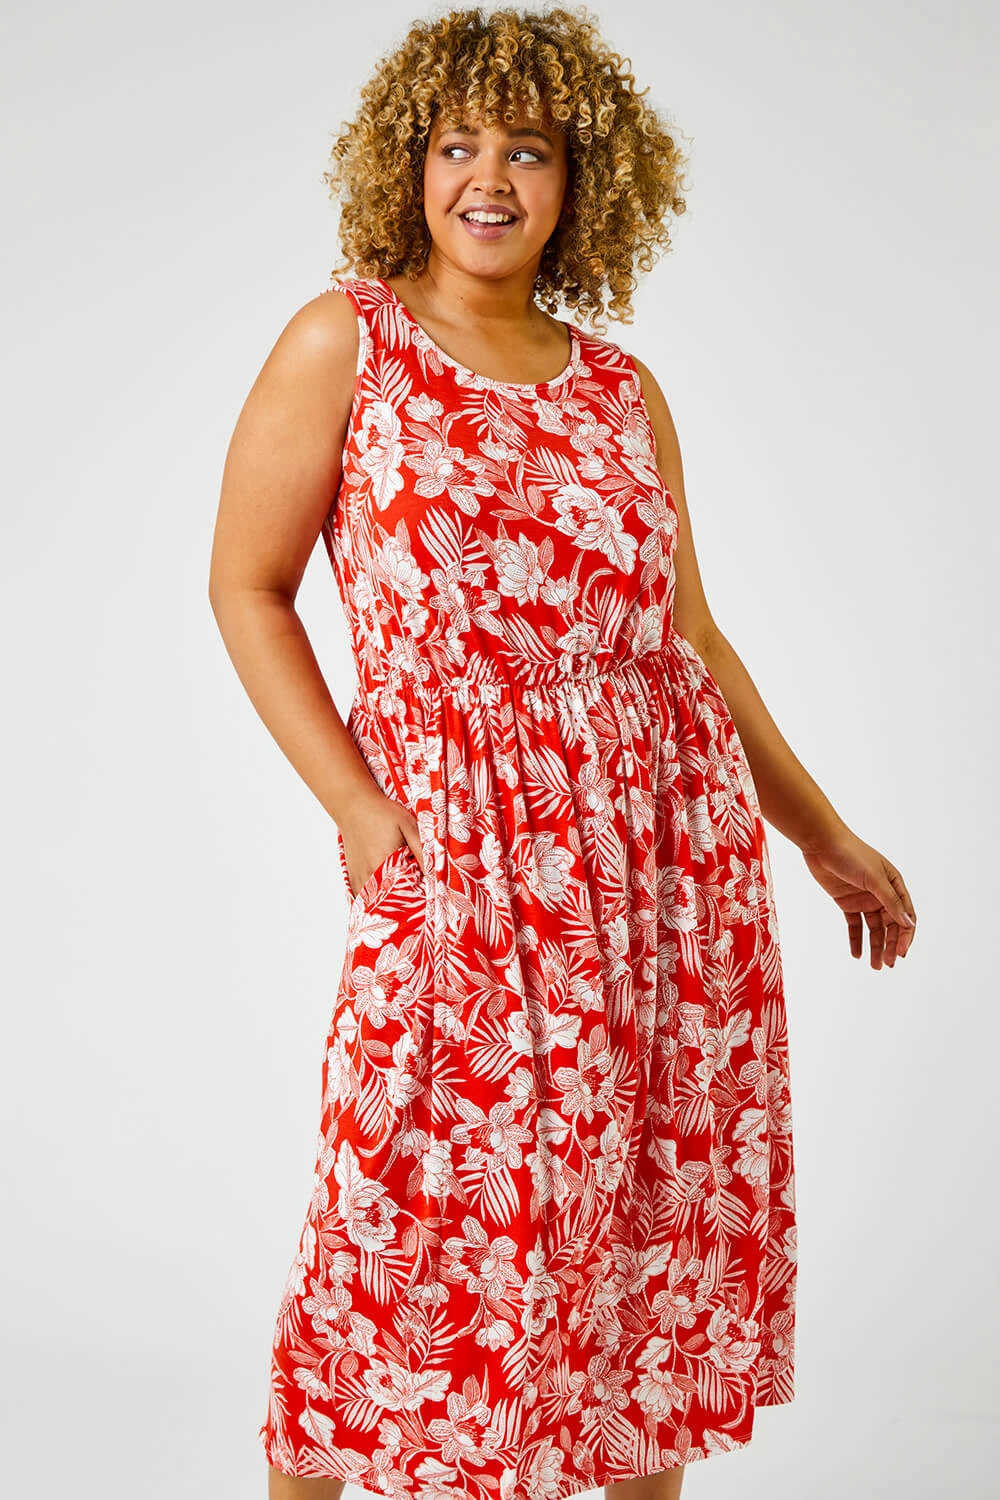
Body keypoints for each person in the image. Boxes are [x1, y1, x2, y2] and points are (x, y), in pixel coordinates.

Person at [208, 7, 917, 1499]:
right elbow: (247, 588)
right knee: (395, 1225)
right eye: (457, 143)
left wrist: (823, 834)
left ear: (582, 181)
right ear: (408, 166)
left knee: (643, 1230)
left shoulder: (620, 391)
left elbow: (687, 640)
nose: (489, 178)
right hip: (461, 861)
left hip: (662, 872)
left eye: (527, 149)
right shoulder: (347, 343)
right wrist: (362, 813)